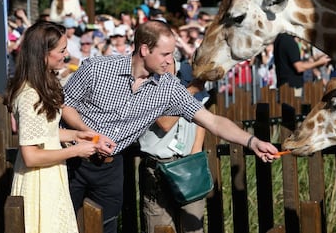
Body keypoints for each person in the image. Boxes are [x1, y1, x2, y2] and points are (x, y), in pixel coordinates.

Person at [61, 20, 280, 233]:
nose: (170, 60)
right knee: (61, 224)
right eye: (165, 54)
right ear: (145, 49)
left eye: (172, 54)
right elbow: (65, 104)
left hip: (109, 168)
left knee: (103, 227)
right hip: (69, 160)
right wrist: (89, 134)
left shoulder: (168, 88)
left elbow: (212, 121)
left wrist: (253, 141)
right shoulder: (97, 69)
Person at [3, 21, 100, 233]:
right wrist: (75, 150)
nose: (66, 55)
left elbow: (44, 132)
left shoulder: (42, 85)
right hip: (38, 180)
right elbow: (31, 155)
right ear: (43, 53)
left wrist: (77, 134)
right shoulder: (30, 95)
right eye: (62, 50)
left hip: (50, 175)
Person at [139, 59, 209, 233]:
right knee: (160, 228)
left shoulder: (186, 78)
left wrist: (195, 152)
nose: (167, 61)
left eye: (170, 56)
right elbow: (164, 123)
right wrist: (191, 90)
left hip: (188, 163)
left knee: (193, 228)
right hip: (158, 166)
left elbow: (201, 116)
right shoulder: (145, 83)